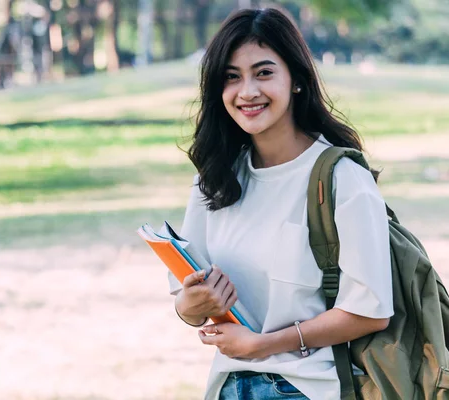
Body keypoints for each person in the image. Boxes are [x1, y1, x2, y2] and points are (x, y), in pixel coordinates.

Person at [169, 8, 394, 400]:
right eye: (232, 77)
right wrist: (190, 306)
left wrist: (263, 345)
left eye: (264, 73)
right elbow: (190, 307)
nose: (248, 92)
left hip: (309, 389)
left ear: (296, 81)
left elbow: (370, 311)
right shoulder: (216, 180)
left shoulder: (342, 179)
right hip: (227, 385)